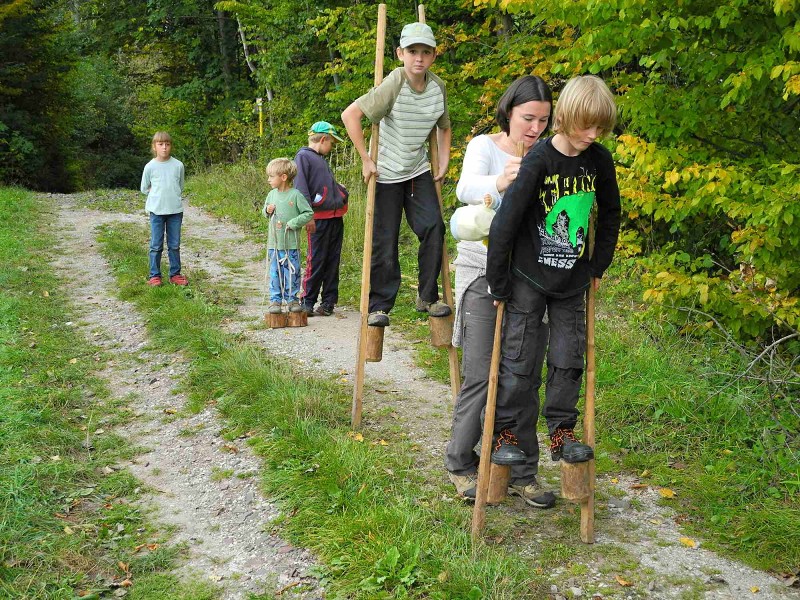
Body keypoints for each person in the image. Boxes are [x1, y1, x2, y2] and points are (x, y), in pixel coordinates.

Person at [485, 75, 621, 479]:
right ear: (565, 118)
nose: (593, 135)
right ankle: (505, 434)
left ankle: (562, 432)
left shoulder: (599, 160)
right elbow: (506, 221)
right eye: (586, 126)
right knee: (519, 354)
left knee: (568, 357)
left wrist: (598, 265)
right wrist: (498, 280)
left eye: (601, 128)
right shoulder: (539, 160)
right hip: (528, 275)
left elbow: (610, 213)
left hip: (573, 280)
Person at [444, 76, 556, 508]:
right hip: (482, 272)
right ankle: (461, 464)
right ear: (509, 111)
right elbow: (465, 189)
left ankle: (521, 471)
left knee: (523, 378)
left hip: (532, 277)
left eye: (544, 120)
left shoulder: (548, 154)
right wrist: (503, 182)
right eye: (528, 118)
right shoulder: (484, 147)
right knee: (481, 374)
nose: (535, 128)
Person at [341, 21, 451, 328]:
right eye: (413, 51)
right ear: (400, 53)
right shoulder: (395, 83)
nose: (419, 58)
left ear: (433, 56)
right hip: (387, 172)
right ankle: (380, 305)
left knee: (434, 227)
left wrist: (444, 160)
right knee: (384, 240)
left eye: (425, 52)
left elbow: (444, 126)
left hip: (418, 171)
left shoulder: (437, 87)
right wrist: (365, 159)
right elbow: (350, 115)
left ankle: (427, 297)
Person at [294, 121, 349, 317]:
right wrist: (307, 215)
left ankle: (328, 302)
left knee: (333, 260)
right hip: (317, 220)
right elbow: (301, 188)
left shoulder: (320, 158)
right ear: (323, 139)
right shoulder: (303, 157)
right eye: (331, 143)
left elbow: (323, 185)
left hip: (335, 218)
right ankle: (307, 301)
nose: (332, 147)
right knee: (316, 260)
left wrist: (340, 191)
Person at [263, 158, 314, 314]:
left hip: (291, 245)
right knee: (275, 273)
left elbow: (308, 213)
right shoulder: (271, 195)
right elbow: (264, 212)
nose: (269, 179)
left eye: (272, 176)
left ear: (283, 177)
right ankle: (275, 301)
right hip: (275, 245)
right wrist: (267, 210)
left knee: (292, 272)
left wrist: (294, 222)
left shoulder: (296, 195)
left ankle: (292, 299)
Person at [141, 131, 187, 286]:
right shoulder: (150, 167)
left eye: (167, 144)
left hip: (175, 211)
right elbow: (144, 188)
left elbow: (180, 186)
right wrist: (157, 196)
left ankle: (175, 274)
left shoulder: (178, 165)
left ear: (171, 146)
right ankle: (154, 275)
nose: (164, 148)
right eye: (160, 144)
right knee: (156, 244)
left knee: (174, 244)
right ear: (154, 146)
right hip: (156, 211)